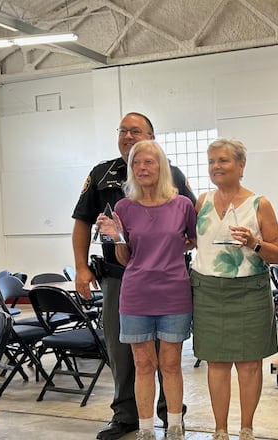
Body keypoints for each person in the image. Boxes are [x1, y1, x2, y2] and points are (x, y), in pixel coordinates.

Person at [72, 112, 196, 440]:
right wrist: (82, 267)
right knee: (123, 352)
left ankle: (172, 416)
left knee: (168, 358)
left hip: (170, 283)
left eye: (136, 131)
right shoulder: (102, 175)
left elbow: (194, 227)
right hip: (120, 278)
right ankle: (126, 416)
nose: (129, 136)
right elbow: (83, 222)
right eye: (123, 130)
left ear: (151, 137)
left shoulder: (176, 178)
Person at [190, 138, 278, 440]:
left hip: (249, 291)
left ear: (241, 165)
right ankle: (220, 431)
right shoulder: (201, 202)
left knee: (248, 364)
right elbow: (189, 241)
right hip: (208, 291)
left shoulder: (260, 204)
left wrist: (253, 243)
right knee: (216, 363)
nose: (216, 167)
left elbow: (277, 254)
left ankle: (246, 429)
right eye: (212, 161)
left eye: (223, 160)